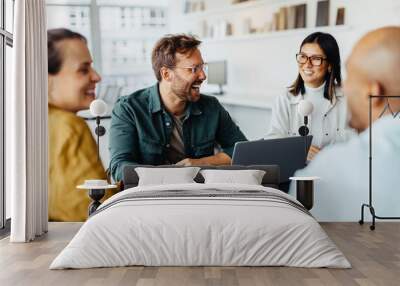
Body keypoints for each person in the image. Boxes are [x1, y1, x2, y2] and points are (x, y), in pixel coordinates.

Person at [290, 26, 400, 221]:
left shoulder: (327, 172)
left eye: (351, 76)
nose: (345, 86)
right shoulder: (286, 98)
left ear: (372, 91)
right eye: (302, 57)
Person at [109, 34, 247, 181]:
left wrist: (200, 164)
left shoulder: (211, 107)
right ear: (167, 74)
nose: (203, 76)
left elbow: (242, 152)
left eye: (202, 67)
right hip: (149, 197)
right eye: (193, 69)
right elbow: (119, 167)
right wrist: (169, 176)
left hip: (200, 195)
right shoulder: (129, 109)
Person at [48, 28, 116, 221]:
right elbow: (92, 215)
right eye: (83, 69)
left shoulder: (30, 123)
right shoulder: (69, 127)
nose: (96, 77)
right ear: (45, 77)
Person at [267, 32, 354, 161]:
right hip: (295, 173)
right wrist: (298, 150)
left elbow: (356, 142)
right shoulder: (284, 98)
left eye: (315, 59)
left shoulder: (347, 98)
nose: (307, 64)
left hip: (335, 170)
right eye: (303, 57)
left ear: (330, 65)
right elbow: (272, 142)